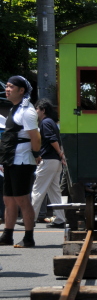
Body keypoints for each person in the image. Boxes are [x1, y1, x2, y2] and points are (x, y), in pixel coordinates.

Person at [0, 75, 40, 248]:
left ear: (21, 90)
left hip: (22, 160)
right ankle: (7, 235)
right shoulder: (14, 109)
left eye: (11, 86)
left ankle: (29, 237)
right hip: (10, 160)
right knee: (8, 199)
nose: (7, 89)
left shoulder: (27, 111)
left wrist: (36, 154)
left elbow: (36, 137)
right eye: (7, 86)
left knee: (22, 199)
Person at [31, 99, 66, 228]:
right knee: (54, 191)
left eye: (37, 109)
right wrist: (60, 154)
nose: (35, 112)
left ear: (43, 110)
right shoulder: (52, 122)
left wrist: (59, 153)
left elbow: (52, 139)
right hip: (55, 161)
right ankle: (60, 219)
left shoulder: (45, 123)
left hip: (48, 160)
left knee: (37, 190)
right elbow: (57, 139)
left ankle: (30, 218)